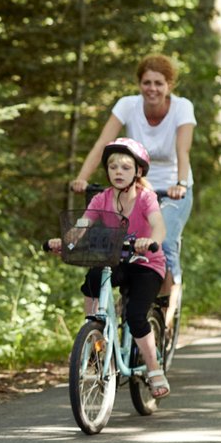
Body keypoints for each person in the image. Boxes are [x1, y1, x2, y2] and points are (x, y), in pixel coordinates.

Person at [72, 53, 195, 330]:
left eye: (159, 83)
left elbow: (182, 150)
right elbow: (103, 143)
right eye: (146, 82)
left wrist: (181, 184)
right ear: (139, 84)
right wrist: (82, 177)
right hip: (137, 184)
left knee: (161, 242)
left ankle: (165, 307)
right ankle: (129, 298)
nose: (152, 89)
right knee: (122, 243)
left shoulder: (182, 108)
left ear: (169, 86)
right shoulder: (127, 106)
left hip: (175, 185)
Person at [52, 138, 170, 397]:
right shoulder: (101, 198)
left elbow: (158, 224)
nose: (118, 172)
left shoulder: (146, 197)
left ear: (138, 172)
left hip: (146, 263)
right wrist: (65, 242)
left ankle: (154, 369)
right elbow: (82, 226)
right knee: (93, 278)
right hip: (116, 260)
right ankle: (94, 334)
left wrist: (152, 241)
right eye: (113, 167)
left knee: (136, 316)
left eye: (126, 167)